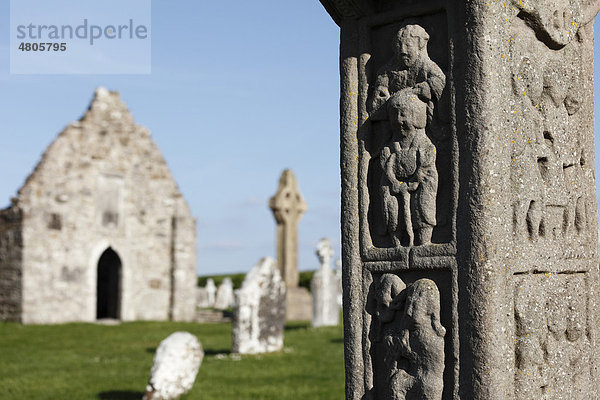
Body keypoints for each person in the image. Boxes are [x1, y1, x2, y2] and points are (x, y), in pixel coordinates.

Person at [379, 89, 438, 246]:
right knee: (390, 203)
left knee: (423, 202)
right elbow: (386, 163)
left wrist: (416, 179)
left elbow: (427, 158)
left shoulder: (422, 141)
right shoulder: (391, 145)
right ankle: (396, 240)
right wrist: (393, 180)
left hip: (420, 179)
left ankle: (424, 239)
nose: (399, 120)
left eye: (403, 114)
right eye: (395, 115)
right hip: (396, 184)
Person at [368, 24, 445, 122]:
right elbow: (378, 96)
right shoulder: (387, 70)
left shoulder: (426, 66)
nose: (403, 51)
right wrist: (381, 95)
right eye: (399, 45)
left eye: (408, 45)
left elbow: (439, 82)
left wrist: (417, 91)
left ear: (419, 47)